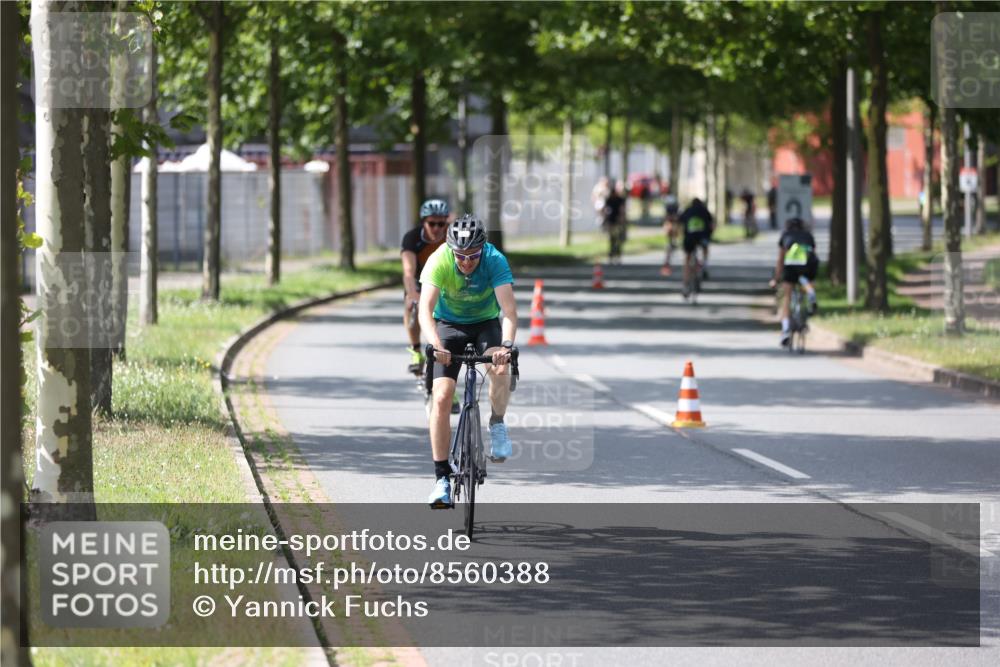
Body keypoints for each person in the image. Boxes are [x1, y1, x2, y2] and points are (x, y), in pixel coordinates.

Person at [418, 214, 518, 508]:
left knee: (500, 367)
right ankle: (441, 479)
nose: (466, 262)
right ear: (451, 250)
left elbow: (509, 312)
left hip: (485, 323)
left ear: (482, 249)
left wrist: (506, 346)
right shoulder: (439, 259)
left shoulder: (494, 260)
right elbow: (425, 310)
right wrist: (436, 344)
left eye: (473, 256)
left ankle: (497, 423)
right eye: (460, 256)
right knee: (442, 396)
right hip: (448, 325)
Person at [401, 198, 450, 374]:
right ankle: (416, 351)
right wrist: (413, 295)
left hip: (444, 281)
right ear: (424, 222)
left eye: (441, 223)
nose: (436, 228)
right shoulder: (412, 238)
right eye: (432, 223)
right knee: (411, 305)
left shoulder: (451, 236)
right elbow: (408, 271)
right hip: (420, 280)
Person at [769, 217, 819, 347]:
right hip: (807, 265)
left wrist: (775, 279)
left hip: (791, 265)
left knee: (787, 297)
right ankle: (811, 294)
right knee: (806, 279)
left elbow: (780, 260)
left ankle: (786, 330)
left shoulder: (786, 236)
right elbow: (814, 254)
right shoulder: (808, 236)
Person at [678, 197, 714, 297]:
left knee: (687, 259)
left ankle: (685, 285)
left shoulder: (687, 211)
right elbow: (711, 225)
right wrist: (710, 235)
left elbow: (680, 222)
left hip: (689, 238)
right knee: (705, 248)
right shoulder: (705, 211)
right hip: (702, 238)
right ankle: (705, 265)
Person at [602, 180, 627, 264]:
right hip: (611, 221)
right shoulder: (608, 199)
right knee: (612, 238)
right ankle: (612, 254)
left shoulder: (620, 199)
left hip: (617, 221)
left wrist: (622, 219)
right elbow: (605, 210)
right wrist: (605, 220)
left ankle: (617, 254)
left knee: (618, 238)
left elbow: (622, 210)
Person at [661, 194, 680, 276]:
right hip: (671, 226)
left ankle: (667, 263)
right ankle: (667, 264)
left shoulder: (674, 212)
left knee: (670, 245)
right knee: (669, 246)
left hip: (673, 226)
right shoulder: (669, 213)